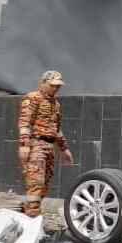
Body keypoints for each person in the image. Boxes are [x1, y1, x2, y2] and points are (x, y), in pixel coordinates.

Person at [18, 71, 74, 217]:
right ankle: (33, 215)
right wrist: (24, 144)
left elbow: (57, 129)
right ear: (43, 83)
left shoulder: (56, 104)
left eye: (58, 86)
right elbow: (25, 122)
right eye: (53, 85)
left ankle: (28, 211)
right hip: (36, 144)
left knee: (45, 184)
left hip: (49, 147)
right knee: (36, 181)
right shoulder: (33, 98)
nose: (56, 89)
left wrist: (64, 148)